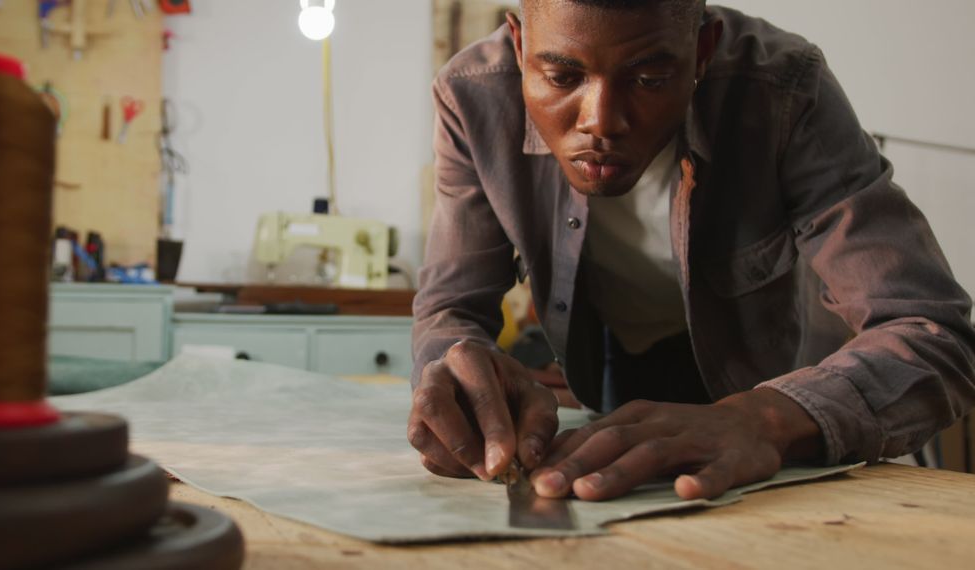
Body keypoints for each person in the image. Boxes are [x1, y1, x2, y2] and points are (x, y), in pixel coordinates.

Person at [409, 0, 975, 502]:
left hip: (775, 382)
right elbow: (450, 309)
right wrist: (459, 378)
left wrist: (767, 419)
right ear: (519, 44)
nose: (601, 121)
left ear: (703, 51)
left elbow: (933, 332)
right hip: (606, 359)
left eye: (650, 79)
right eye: (561, 76)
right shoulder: (473, 96)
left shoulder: (784, 90)